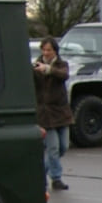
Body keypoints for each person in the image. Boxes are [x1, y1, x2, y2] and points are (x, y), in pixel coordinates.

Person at [33, 38, 72, 191]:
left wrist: (48, 69)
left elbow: (64, 75)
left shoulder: (62, 65)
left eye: (49, 50)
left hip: (61, 112)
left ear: (55, 51)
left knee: (63, 147)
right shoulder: (34, 67)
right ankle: (56, 178)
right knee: (53, 149)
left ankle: (39, 174)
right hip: (45, 114)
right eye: (44, 50)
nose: (46, 53)